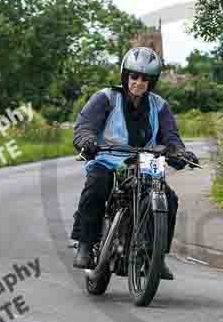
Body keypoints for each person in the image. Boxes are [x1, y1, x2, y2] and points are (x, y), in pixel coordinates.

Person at [70, 47, 199, 279]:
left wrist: (180, 152)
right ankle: (85, 245)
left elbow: (171, 137)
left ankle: (155, 256)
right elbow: (84, 126)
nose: (139, 82)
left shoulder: (159, 106)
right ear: (125, 76)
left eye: (146, 79)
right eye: (135, 76)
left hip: (147, 160)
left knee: (168, 198)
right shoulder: (105, 97)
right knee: (96, 185)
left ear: (153, 82)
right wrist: (87, 140)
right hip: (108, 157)